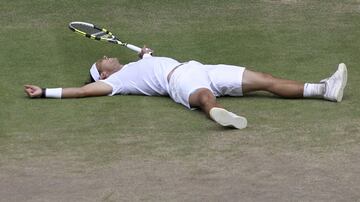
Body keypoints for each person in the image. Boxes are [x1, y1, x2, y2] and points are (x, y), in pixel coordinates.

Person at [24, 47, 348, 129]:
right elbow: (81, 92)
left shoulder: (138, 62)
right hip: (178, 82)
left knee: (264, 80)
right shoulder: (114, 82)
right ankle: (218, 112)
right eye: (103, 60)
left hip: (199, 67)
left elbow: (151, 61)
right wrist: (46, 92)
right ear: (103, 73)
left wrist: (147, 55)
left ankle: (323, 90)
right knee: (205, 96)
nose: (107, 56)